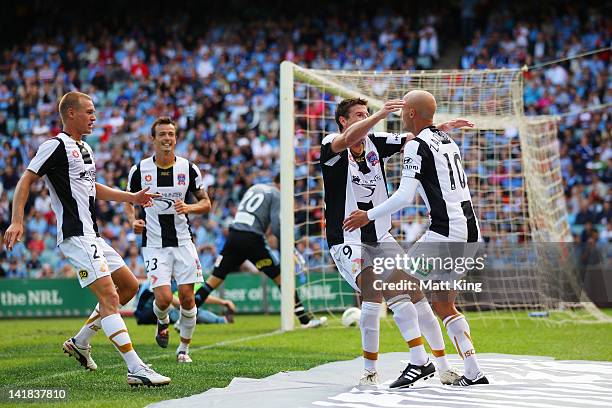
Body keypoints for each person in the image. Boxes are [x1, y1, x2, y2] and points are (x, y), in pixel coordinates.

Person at [3, 91, 170, 387]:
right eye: (89, 112)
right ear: (71, 114)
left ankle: (80, 342)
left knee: (129, 286)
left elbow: (94, 187)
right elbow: (26, 180)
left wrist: (131, 197)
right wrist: (17, 220)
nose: (94, 117)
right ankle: (136, 368)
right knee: (109, 298)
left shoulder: (85, 148)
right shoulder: (54, 145)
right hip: (75, 235)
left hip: (92, 234)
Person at [321, 97, 471, 387]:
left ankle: (440, 366)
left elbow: (416, 137)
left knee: (416, 295)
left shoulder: (375, 142)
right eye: (358, 115)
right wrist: (378, 114)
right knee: (377, 292)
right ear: (343, 120)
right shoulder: (332, 144)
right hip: (348, 239)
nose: (364, 118)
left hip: (380, 234)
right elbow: (349, 138)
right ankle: (375, 370)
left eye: (366, 113)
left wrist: (440, 128)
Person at [126, 116, 211, 363]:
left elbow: (206, 203)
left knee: (187, 298)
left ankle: (183, 349)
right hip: (154, 244)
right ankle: (162, 321)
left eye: (171, 134)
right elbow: (129, 201)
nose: (167, 139)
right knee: (163, 299)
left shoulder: (188, 168)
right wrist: (133, 220)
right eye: (162, 134)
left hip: (184, 242)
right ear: (152, 139)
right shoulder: (140, 170)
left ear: (176, 138)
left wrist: (189, 208)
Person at [193, 174, 326, 328]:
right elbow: (277, 226)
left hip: (234, 236)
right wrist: (288, 247)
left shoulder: (255, 188)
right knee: (281, 278)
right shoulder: (277, 194)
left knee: (214, 280)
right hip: (252, 239)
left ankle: (186, 316)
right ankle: (305, 320)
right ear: (280, 183)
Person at [133, 279, 235, 326]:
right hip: (144, 314)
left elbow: (198, 296)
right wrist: (189, 309)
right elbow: (175, 302)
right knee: (185, 310)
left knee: (187, 309)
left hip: (161, 314)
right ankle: (220, 321)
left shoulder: (177, 281)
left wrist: (223, 302)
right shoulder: (157, 279)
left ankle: (215, 320)